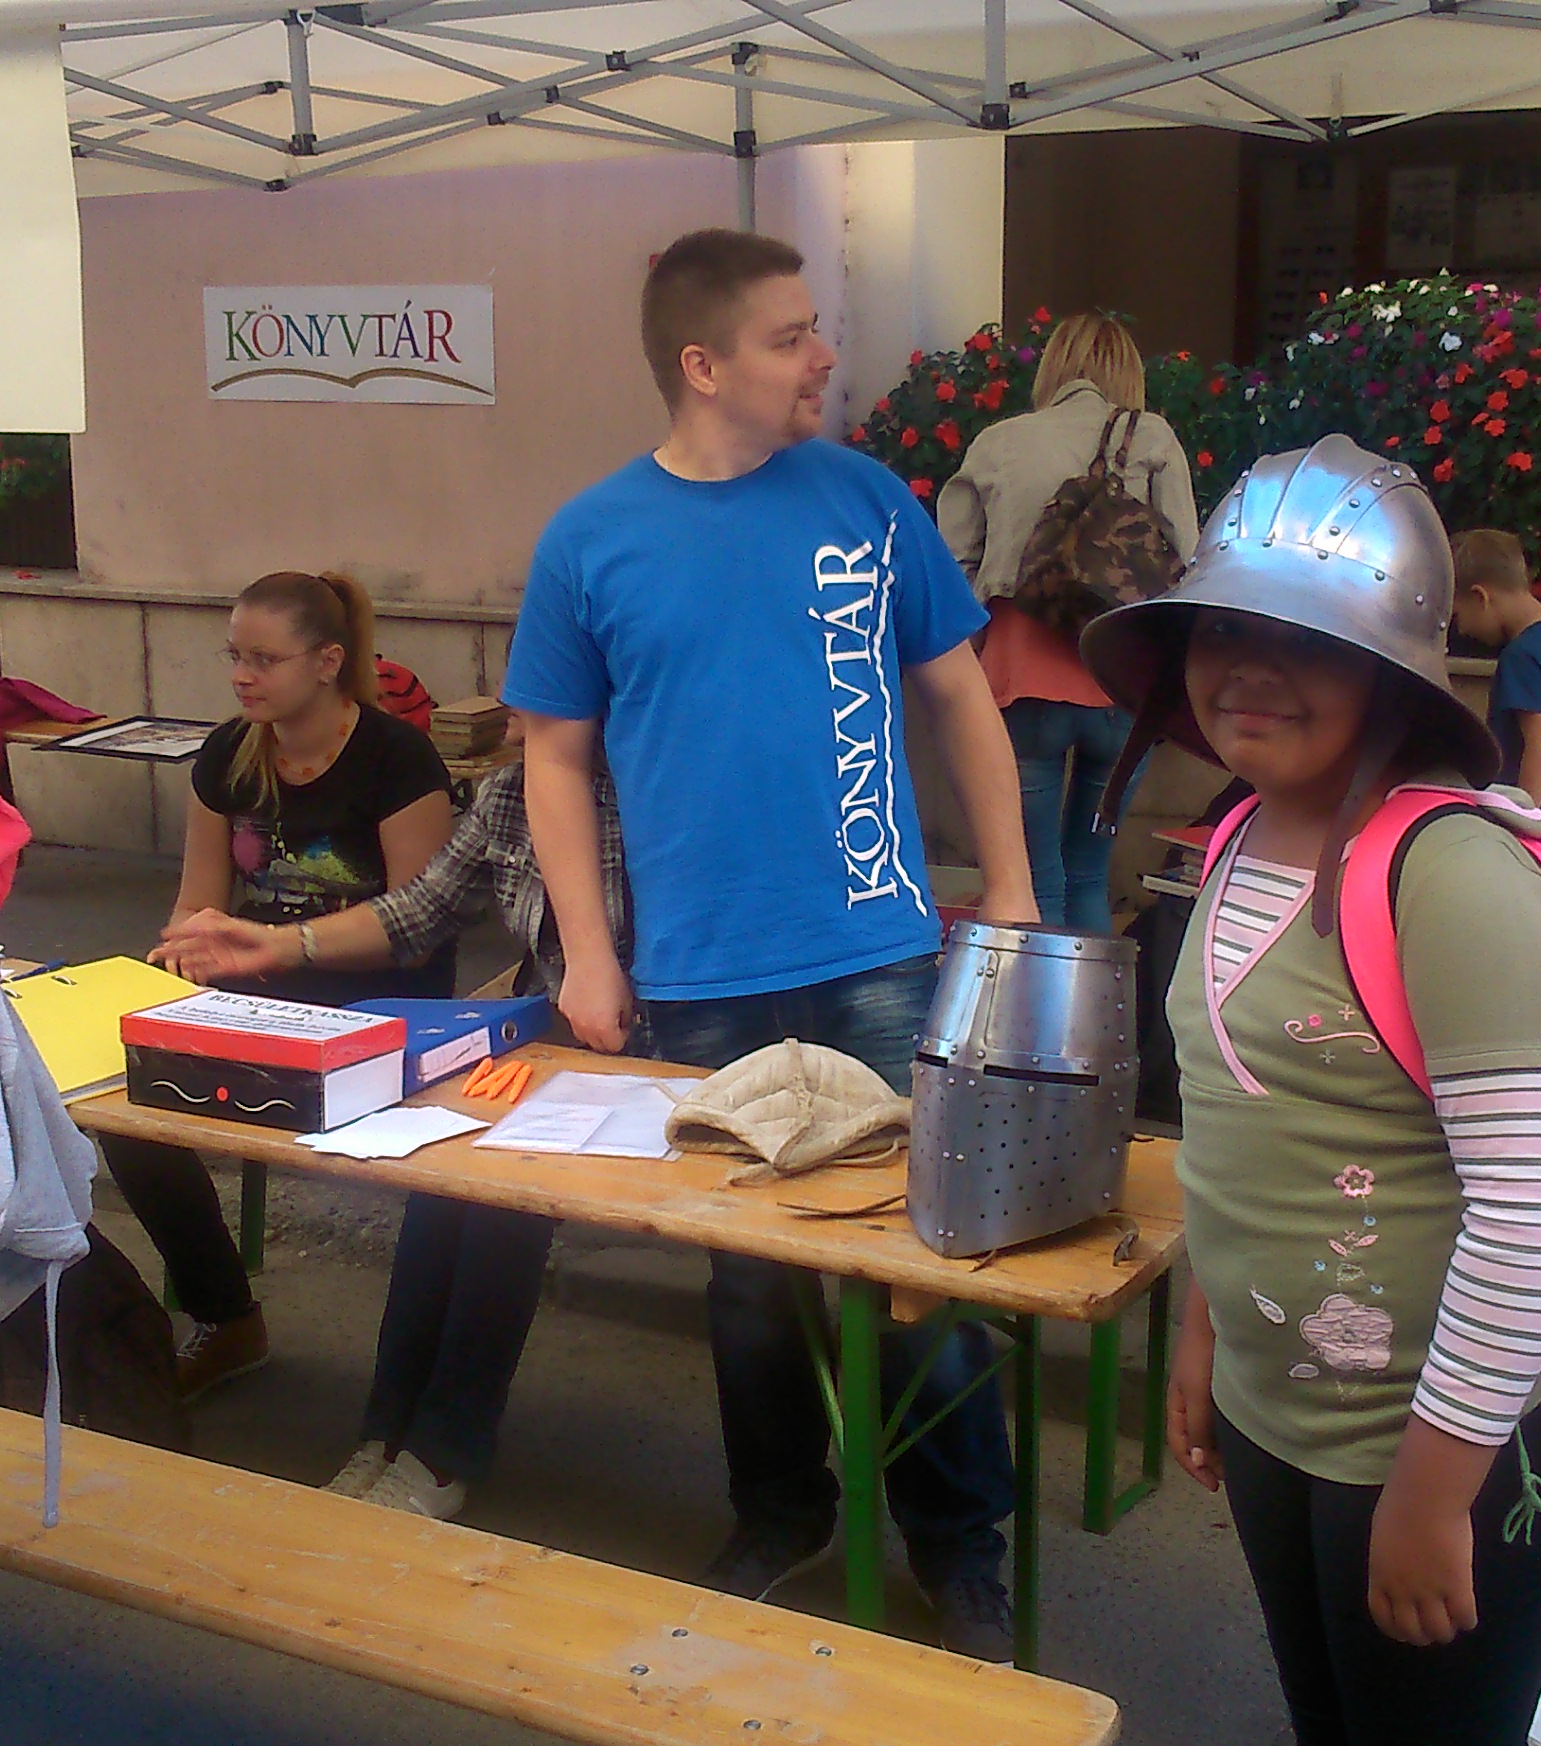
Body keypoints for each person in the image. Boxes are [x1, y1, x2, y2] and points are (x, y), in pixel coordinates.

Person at [505, 227, 1043, 1662]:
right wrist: (587, 953)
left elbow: (960, 693)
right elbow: (552, 755)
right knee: (746, 1275)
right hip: (698, 973)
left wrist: (1011, 880)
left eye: (814, 329)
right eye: (790, 336)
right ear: (704, 364)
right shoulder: (590, 537)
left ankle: (959, 1545)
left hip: (878, 952)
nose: (822, 358)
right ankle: (780, 1509)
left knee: (922, 1261)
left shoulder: (866, 500)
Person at [1081, 438, 1541, 1745]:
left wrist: (1430, 1494)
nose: (1249, 670)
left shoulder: (1453, 871)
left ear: (1389, 669)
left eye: (1304, 640)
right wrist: (1206, 1331)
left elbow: (1534, 1214)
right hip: (1279, 1418)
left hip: (1437, 1449)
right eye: (1223, 629)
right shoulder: (1240, 832)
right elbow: (1237, 1121)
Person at [154, 758, 637, 1517]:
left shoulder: (661, 785)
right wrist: (277, 945)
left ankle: (443, 1452)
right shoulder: (513, 790)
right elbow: (422, 908)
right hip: (543, 1032)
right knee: (442, 1178)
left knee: (504, 1191)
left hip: (655, 1046)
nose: (508, 708)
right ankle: (388, 1435)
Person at [106, 570, 458, 1400]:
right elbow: (197, 902)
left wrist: (271, 951)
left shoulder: (397, 758)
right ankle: (226, 1315)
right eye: (234, 656)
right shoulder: (230, 752)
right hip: (258, 991)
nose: (241, 676)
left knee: (442, 1175)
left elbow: (417, 926)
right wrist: (183, 956)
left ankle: (422, 1388)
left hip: (381, 1003)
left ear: (328, 662)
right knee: (121, 1101)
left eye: (264, 659)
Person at [937, 310, 1200, 931]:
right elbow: (1190, 559)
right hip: (1125, 683)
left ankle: (1040, 997)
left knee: (1035, 879)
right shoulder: (1152, 438)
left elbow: (951, 564)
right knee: (1088, 874)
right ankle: (1095, 998)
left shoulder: (999, 442)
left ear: (1054, 368)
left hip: (1023, 680)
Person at [1448, 528, 1541, 825]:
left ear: (1480, 597)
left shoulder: (1521, 656)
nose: (1461, 630)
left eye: (1458, 616)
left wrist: (1522, 820)